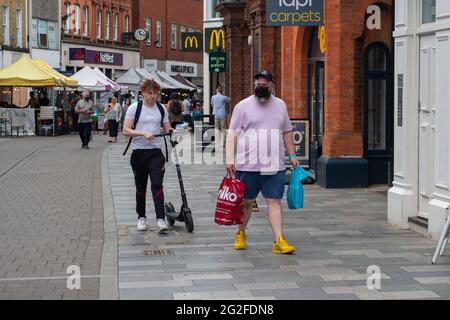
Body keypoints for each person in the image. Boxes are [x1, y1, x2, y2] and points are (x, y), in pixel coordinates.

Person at [226, 70, 300, 254]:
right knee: (247, 202)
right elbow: (231, 133)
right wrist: (229, 158)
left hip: (275, 164)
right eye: (258, 84)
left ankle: (279, 240)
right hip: (247, 164)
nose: (260, 87)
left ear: (272, 86)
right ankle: (240, 233)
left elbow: (287, 131)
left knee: (274, 201)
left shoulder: (280, 105)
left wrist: (292, 155)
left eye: (264, 85)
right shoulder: (242, 106)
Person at [123, 79, 174, 234]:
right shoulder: (134, 108)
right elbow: (126, 130)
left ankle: (160, 219)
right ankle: (141, 217)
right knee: (141, 186)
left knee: (157, 184)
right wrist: (143, 133)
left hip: (155, 152)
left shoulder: (161, 109)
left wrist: (175, 131)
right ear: (143, 93)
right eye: (150, 93)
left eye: (155, 93)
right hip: (138, 153)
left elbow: (167, 128)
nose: (153, 96)